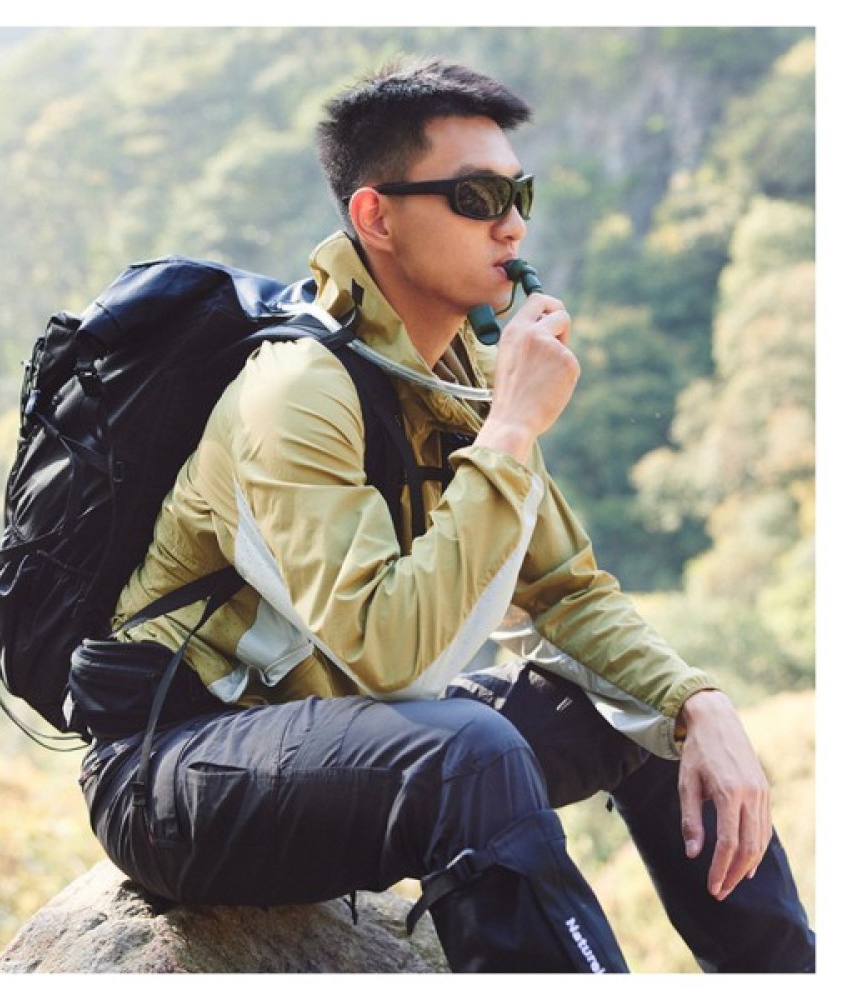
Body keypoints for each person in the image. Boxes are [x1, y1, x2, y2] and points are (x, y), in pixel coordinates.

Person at [74, 57, 815, 973]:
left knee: (638, 708)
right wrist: (511, 431)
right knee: (469, 751)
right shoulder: (297, 392)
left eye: (519, 194)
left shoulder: (458, 378)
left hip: (337, 737)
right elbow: (388, 657)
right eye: (476, 197)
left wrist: (697, 704)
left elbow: (566, 594)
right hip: (172, 766)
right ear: (376, 217)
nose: (512, 223)